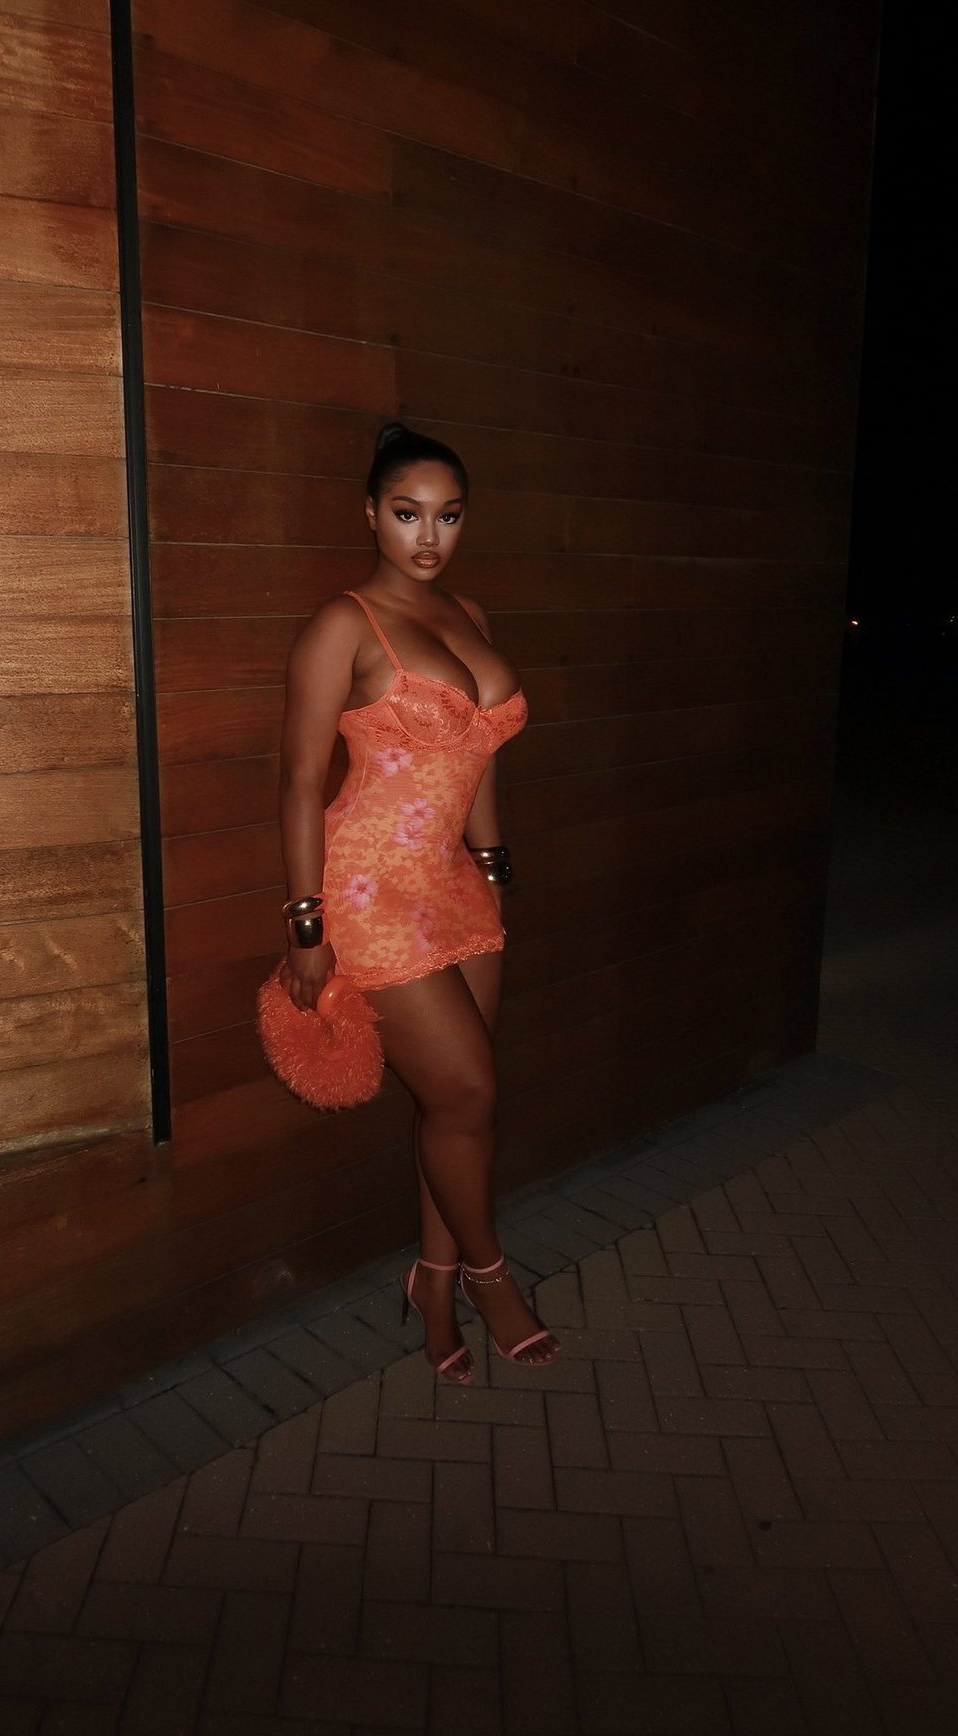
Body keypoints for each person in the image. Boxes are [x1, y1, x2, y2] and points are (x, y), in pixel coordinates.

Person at [277, 422, 559, 1380]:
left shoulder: (468, 611)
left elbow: (479, 752)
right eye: (406, 514)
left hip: (456, 886)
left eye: (447, 515)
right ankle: (488, 1277)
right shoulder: (342, 624)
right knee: (469, 1093)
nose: (428, 536)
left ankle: (431, 1281)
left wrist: (494, 868)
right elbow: (299, 782)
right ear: (371, 514)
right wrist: (306, 925)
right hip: (367, 893)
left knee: (455, 1108)